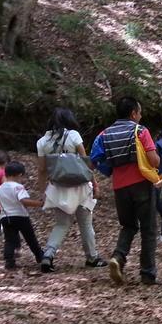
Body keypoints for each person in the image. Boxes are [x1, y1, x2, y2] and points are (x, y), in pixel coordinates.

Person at [91, 97, 161, 286]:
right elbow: (154, 160)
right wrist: (158, 162)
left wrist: (110, 168)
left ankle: (118, 257)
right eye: (139, 112)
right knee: (148, 228)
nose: (140, 115)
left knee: (128, 225)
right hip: (141, 184)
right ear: (133, 114)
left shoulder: (104, 134)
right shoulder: (140, 131)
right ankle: (147, 274)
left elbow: (93, 160)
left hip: (119, 187)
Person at [34, 107, 107, 272]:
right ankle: (92, 257)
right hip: (80, 186)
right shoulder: (73, 136)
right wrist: (95, 184)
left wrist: (42, 191)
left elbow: (42, 169)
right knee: (85, 223)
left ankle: (48, 255)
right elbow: (84, 162)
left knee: (61, 224)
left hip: (58, 187)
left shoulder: (42, 142)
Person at [0, 161, 44, 270]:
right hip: (21, 216)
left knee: (9, 240)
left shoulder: (0, 188)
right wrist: (40, 204)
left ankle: (9, 261)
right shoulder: (18, 187)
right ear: (20, 175)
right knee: (30, 238)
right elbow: (24, 201)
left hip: (5, 217)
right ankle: (40, 257)